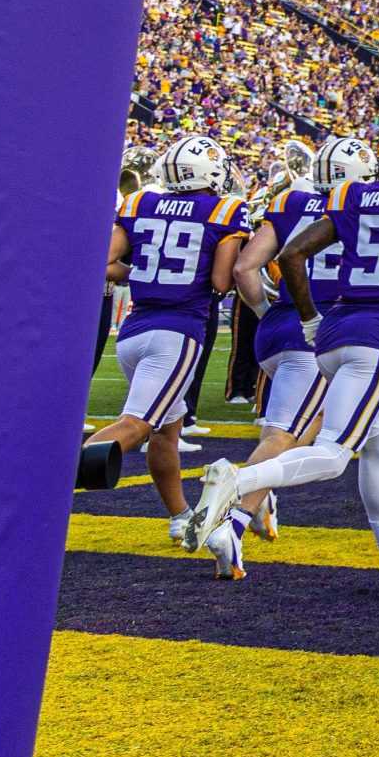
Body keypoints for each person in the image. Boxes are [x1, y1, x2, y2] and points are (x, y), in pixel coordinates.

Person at [188, 115, 379, 595]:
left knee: (377, 445)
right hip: (376, 332)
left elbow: (291, 255)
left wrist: (310, 319)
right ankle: (238, 482)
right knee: (334, 454)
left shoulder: (350, 196)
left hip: (331, 328)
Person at [207, 134, 375, 578]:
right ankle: (230, 521)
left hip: (277, 329)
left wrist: (267, 311)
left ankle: (260, 496)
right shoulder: (365, 207)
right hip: (319, 328)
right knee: (285, 436)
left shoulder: (290, 203)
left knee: (303, 426)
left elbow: (246, 269)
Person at [96, 134, 249, 545]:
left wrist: (143, 273)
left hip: (133, 331)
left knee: (167, 432)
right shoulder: (224, 209)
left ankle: (181, 516)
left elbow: (106, 263)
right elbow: (220, 280)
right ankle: (50, 482)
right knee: (138, 425)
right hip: (178, 331)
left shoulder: (140, 202)